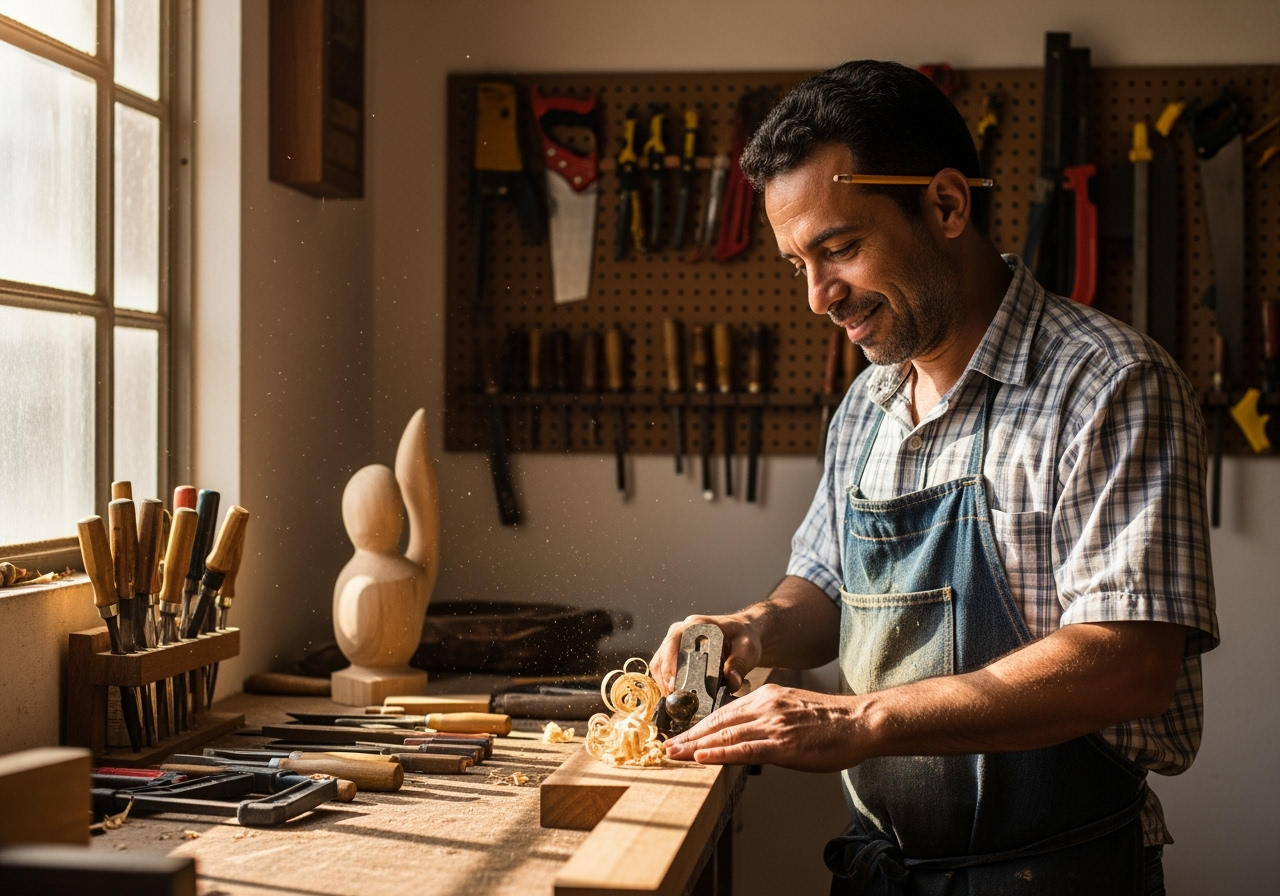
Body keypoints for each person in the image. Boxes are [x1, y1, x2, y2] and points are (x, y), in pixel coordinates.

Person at [651, 61, 1218, 896]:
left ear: (947, 205)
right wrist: (751, 630)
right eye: (799, 263)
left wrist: (863, 718)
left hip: (1058, 876)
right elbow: (828, 589)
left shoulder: (1107, 384)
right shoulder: (867, 404)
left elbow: (1130, 660)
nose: (818, 297)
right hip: (885, 873)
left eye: (839, 249)